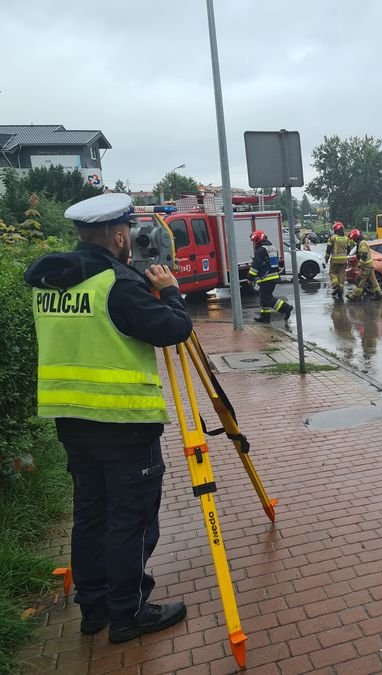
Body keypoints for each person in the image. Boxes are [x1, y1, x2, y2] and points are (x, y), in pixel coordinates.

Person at [23, 193, 193, 643]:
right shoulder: (116, 284)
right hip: (123, 422)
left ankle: (93, 607)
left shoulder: (50, 281)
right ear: (120, 236)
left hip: (71, 419)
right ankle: (129, 612)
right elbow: (173, 329)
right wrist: (171, 291)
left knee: (91, 515)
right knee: (130, 521)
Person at [248, 230, 293, 325]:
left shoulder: (261, 250)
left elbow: (256, 265)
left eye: (255, 240)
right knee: (263, 298)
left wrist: (250, 277)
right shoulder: (272, 247)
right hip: (273, 276)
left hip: (266, 277)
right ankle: (265, 317)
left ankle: (286, 308)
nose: (255, 242)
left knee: (267, 299)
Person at [347, 229, 382, 301]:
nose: (354, 241)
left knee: (360, 281)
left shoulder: (362, 243)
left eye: (353, 239)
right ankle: (378, 294)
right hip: (369, 265)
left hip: (366, 266)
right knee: (373, 280)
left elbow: (364, 255)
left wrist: (360, 263)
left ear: (356, 237)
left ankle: (355, 296)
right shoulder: (362, 242)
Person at [325, 222, 351, 299]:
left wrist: (326, 258)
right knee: (342, 275)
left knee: (332, 273)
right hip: (344, 260)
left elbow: (328, 249)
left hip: (335, 260)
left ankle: (336, 285)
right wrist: (346, 256)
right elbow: (349, 249)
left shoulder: (332, 238)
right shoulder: (346, 238)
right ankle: (341, 289)